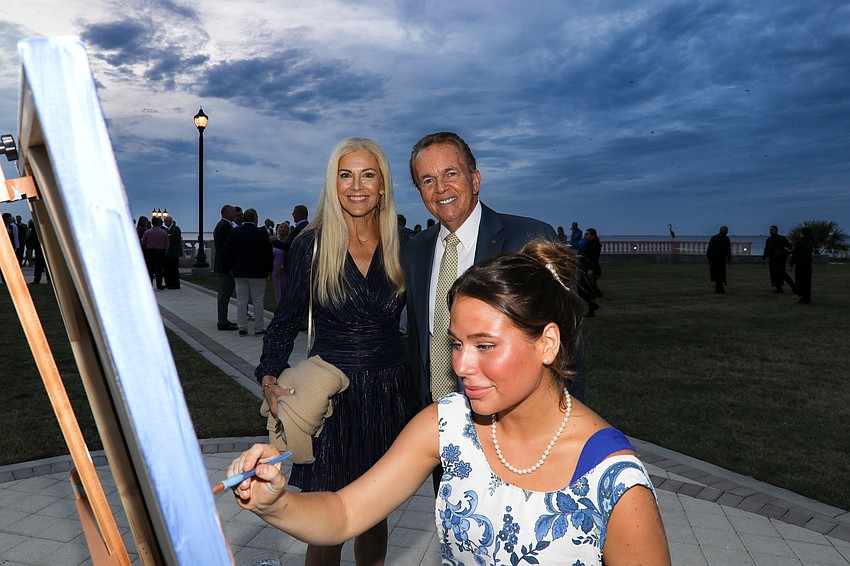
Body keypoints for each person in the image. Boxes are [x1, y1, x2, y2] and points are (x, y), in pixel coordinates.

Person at [229, 239, 671, 566]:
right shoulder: (446, 425)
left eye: (484, 345)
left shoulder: (614, 481)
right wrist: (275, 502)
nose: (460, 365)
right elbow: (345, 512)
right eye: (457, 343)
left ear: (547, 343)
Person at [255, 138, 418, 566]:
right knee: (325, 524)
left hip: (390, 393)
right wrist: (270, 377)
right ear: (334, 183)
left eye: (368, 175)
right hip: (332, 399)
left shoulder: (402, 243)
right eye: (346, 175)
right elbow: (286, 320)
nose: (356, 186)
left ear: (382, 185)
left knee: (373, 514)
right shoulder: (312, 244)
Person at [401, 131, 560, 413]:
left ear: (475, 180)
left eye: (451, 173)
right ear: (420, 191)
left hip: (509, 422)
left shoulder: (527, 239)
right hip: (432, 423)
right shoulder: (414, 251)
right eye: (428, 180)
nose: (440, 188)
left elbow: (565, 346)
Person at [223, 208, 273, 336]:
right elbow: (268, 253)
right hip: (258, 272)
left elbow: (228, 251)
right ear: (255, 218)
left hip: (240, 271)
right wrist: (269, 269)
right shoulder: (261, 233)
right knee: (258, 300)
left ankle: (242, 327)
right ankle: (258, 327)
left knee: (241, 300)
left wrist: (231, 267)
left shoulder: (235, 232)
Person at [214, 204, 238, 330]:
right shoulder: (225, 227)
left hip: (222, 265)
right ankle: (222, 321)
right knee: (224, 294)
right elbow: (226, 249)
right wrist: (230, 267)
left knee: (224, 293)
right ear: (226, 213)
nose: (235, 214)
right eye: (233, 212)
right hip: (226, 266)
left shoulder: (221, 225)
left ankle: (223, 319)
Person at [762, 225, 795, 294]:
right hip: (772, 260)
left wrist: (784, 253)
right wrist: (764, 257)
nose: (771, 231)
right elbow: (766, 249)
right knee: (774, 274)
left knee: (782, 274)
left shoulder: (781, 238)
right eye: (770, 230)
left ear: (776, 230)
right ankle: (779, 288)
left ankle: (794, 288)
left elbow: (789, 247)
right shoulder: (768, 240)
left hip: (780, 260)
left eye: (773, 230)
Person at [577, 227, 602, 316]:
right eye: (585, 234)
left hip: (591, 269)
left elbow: (594, 259)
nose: (585, 236)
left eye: (587, 234)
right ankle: (592, 306)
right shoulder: (589, 243)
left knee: (583, 289)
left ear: (593, 235)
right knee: (584, 289)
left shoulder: (595, 245)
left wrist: (591, 270)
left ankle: (592, 306)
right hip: (585, 268)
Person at [140, 216, 169, 290]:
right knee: (159, 269)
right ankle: (159, 285)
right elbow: (167, 244)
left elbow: (143, 241)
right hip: (160, 251)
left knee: (150, 269)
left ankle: (149, 284)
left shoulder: (147, 232)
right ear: (159, 223)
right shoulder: (163, 232)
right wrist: (165, 252)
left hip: (150, 251)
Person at [790, 227, 814, 304]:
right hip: (807, 264)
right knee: (807, 281)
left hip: (800, 264)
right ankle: (807, 297)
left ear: (802, 233)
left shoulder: (799, 242)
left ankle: (803, 296)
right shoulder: (810, 242)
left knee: (800, 280)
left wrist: (791, 264)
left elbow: (795, 255)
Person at [706, 225, 732, 294]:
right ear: (725, 231)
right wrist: (729, 258)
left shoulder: (713, 238)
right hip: (720, 258)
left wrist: (708, 257)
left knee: (716, 273)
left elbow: (709, 248)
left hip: (713, 258)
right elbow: (728, 249)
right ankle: (719, 289)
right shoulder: (726, 239)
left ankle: (719, 288)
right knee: (720, 273)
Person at [271, 223, 290, 305]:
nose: (282, 228)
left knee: (285, 290)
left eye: (285, 227)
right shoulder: (276, 242)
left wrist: (283, 267)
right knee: (277, 290)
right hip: (275, 268)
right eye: (281, 227)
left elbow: (290, 255)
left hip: (285, 269)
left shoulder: (288, 242)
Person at [163, 215, 182, 289]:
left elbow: (176, 239)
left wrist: (167, 239)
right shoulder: (166, 230)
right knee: (167, 269)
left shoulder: (176, 229)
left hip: (174, 253)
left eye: (166, 221)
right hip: (168, 253)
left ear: (170, 221)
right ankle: (168, 283)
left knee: (174, 269)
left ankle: (175, 284)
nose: (165, 223)